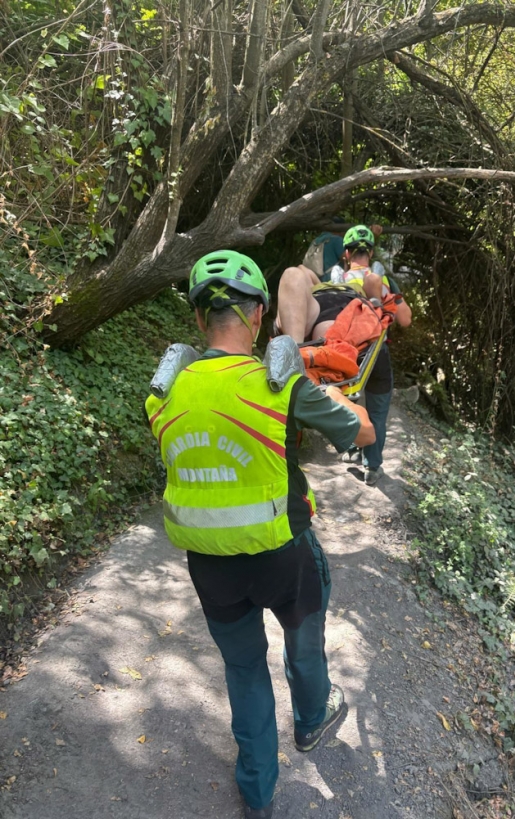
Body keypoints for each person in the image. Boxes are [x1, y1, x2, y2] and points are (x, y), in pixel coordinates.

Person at [145, 250, 375, 819]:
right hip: (284, 557)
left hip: (212, 568)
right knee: (303, 642)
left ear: (199, 321)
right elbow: (363, 434)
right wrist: (329, 392)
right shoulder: (281, 385)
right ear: (259, 315)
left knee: (244, 670)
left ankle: (257, 791)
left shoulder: (162, 394)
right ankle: (312, 719)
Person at [276, 225, 411, 486]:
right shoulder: (380, 279)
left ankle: (297, 357)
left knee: (295, 275)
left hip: (323, 315)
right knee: (377, 409)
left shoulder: (331, 277)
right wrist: (385, 300)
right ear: (370, 253)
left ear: (346, 254)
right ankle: (372, 466)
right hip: (363, 334)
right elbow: (405, 319)